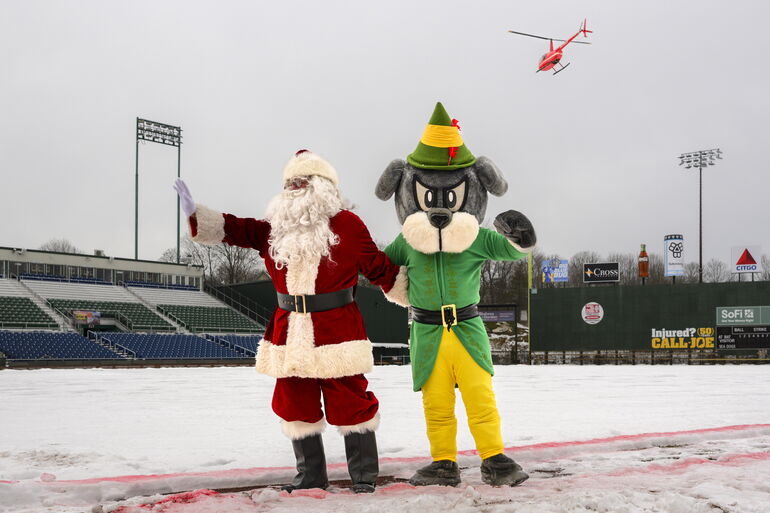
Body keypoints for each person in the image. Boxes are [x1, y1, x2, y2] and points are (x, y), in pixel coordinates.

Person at [174, 149, 408, 493]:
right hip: (289, 331)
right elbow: (238, 229)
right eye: (291, 183)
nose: (296, 187)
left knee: (351, 402)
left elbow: (378, 267)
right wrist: (198, 215)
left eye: (304, 181)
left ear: (324, 187)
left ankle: (363, 477)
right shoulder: (275, 229)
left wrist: (416, 293)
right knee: (294, 404)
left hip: (337, 330)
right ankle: (310, 476)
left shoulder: (348, 224)